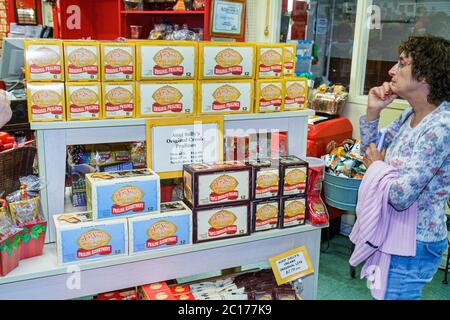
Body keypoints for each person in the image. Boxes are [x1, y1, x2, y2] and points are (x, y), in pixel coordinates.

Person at [360, 35, 449, 300]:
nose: (391, 71)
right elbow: (368, 154)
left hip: (414, 243)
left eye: (402, 63)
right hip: (394, 234)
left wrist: (378, 167)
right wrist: (373, 112)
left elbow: (400, 196)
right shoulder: (410, 114)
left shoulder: (440, 126)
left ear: (425, 75)